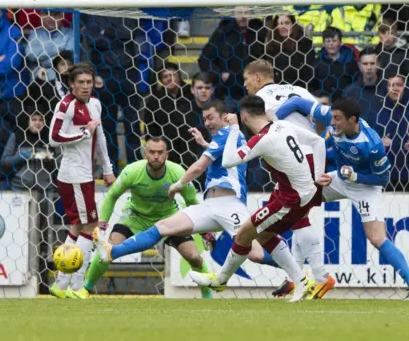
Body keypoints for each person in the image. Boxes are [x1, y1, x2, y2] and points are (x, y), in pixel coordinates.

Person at [93, 101, 310, 294]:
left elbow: (199, 167)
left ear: (225, 117)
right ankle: (112, 252)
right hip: (209, 206)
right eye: (204, 118)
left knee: (254, 252)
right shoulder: (225, 137)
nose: (207, 122)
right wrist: (206, 145)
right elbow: (222, 159)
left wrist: (178, 184)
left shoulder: (227, 133)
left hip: (231, 205)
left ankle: (300, 275)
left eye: (211, 117)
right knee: (163, 227)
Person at [275, 96, 409, 300]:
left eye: (338, 119)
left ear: (353, 119)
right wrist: (272, 124)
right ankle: (299, 278)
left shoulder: (372, 144)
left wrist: (357, 176)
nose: (333, 122)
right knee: (299, 202)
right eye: (333, 117)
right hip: (339, 178)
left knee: (376, 238)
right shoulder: (332, 116)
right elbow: (297, 103)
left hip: (366, 186)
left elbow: (382, 179)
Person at [188, 95, 327, 303]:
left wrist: (233, 130)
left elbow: (227, 162)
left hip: (291, 199)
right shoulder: (282, 126)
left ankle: (220, 280)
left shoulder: (263, 139)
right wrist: (317, 175)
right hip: (292, 192)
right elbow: (317, 141)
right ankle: (301, 281)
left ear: (243, 116)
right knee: (263, 235)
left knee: (244, 233)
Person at [56, 137, 213, 299]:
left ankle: (207, 292)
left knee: (194, 256)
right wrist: (102, 225)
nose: (156, 156)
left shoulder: (178, 173)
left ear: (167, 154)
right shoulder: (132, 171)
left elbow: (192, 202)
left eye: (160, 152)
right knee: (107, 251)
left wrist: (204, 231)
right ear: (145, 154)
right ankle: (86, 289)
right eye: (152, 152)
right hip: (135, 217)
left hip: (168, 219)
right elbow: (111, 196)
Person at [242, 59, 334, 300]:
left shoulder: (258, 103)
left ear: (259, 78)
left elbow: (266, 131)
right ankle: (298, 278)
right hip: (310, 151)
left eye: (247, 79)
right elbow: (321, 116)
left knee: (297, 217)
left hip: (294, 158)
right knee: (297, 217)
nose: (245, 85)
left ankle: (320, 277)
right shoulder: (298, 89)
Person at [49, 63, 116, 299]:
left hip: (86, 175)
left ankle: (60, 284)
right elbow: (54, 137)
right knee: (91, 227)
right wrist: (84, 133)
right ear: (71, 84)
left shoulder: (95, 104)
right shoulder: (65, 106)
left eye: (89, 82)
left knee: (78, 226)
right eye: (81, 82)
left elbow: (101, 138)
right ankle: (78, 288)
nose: (86, 86)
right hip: (73, 176)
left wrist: (107, 168)